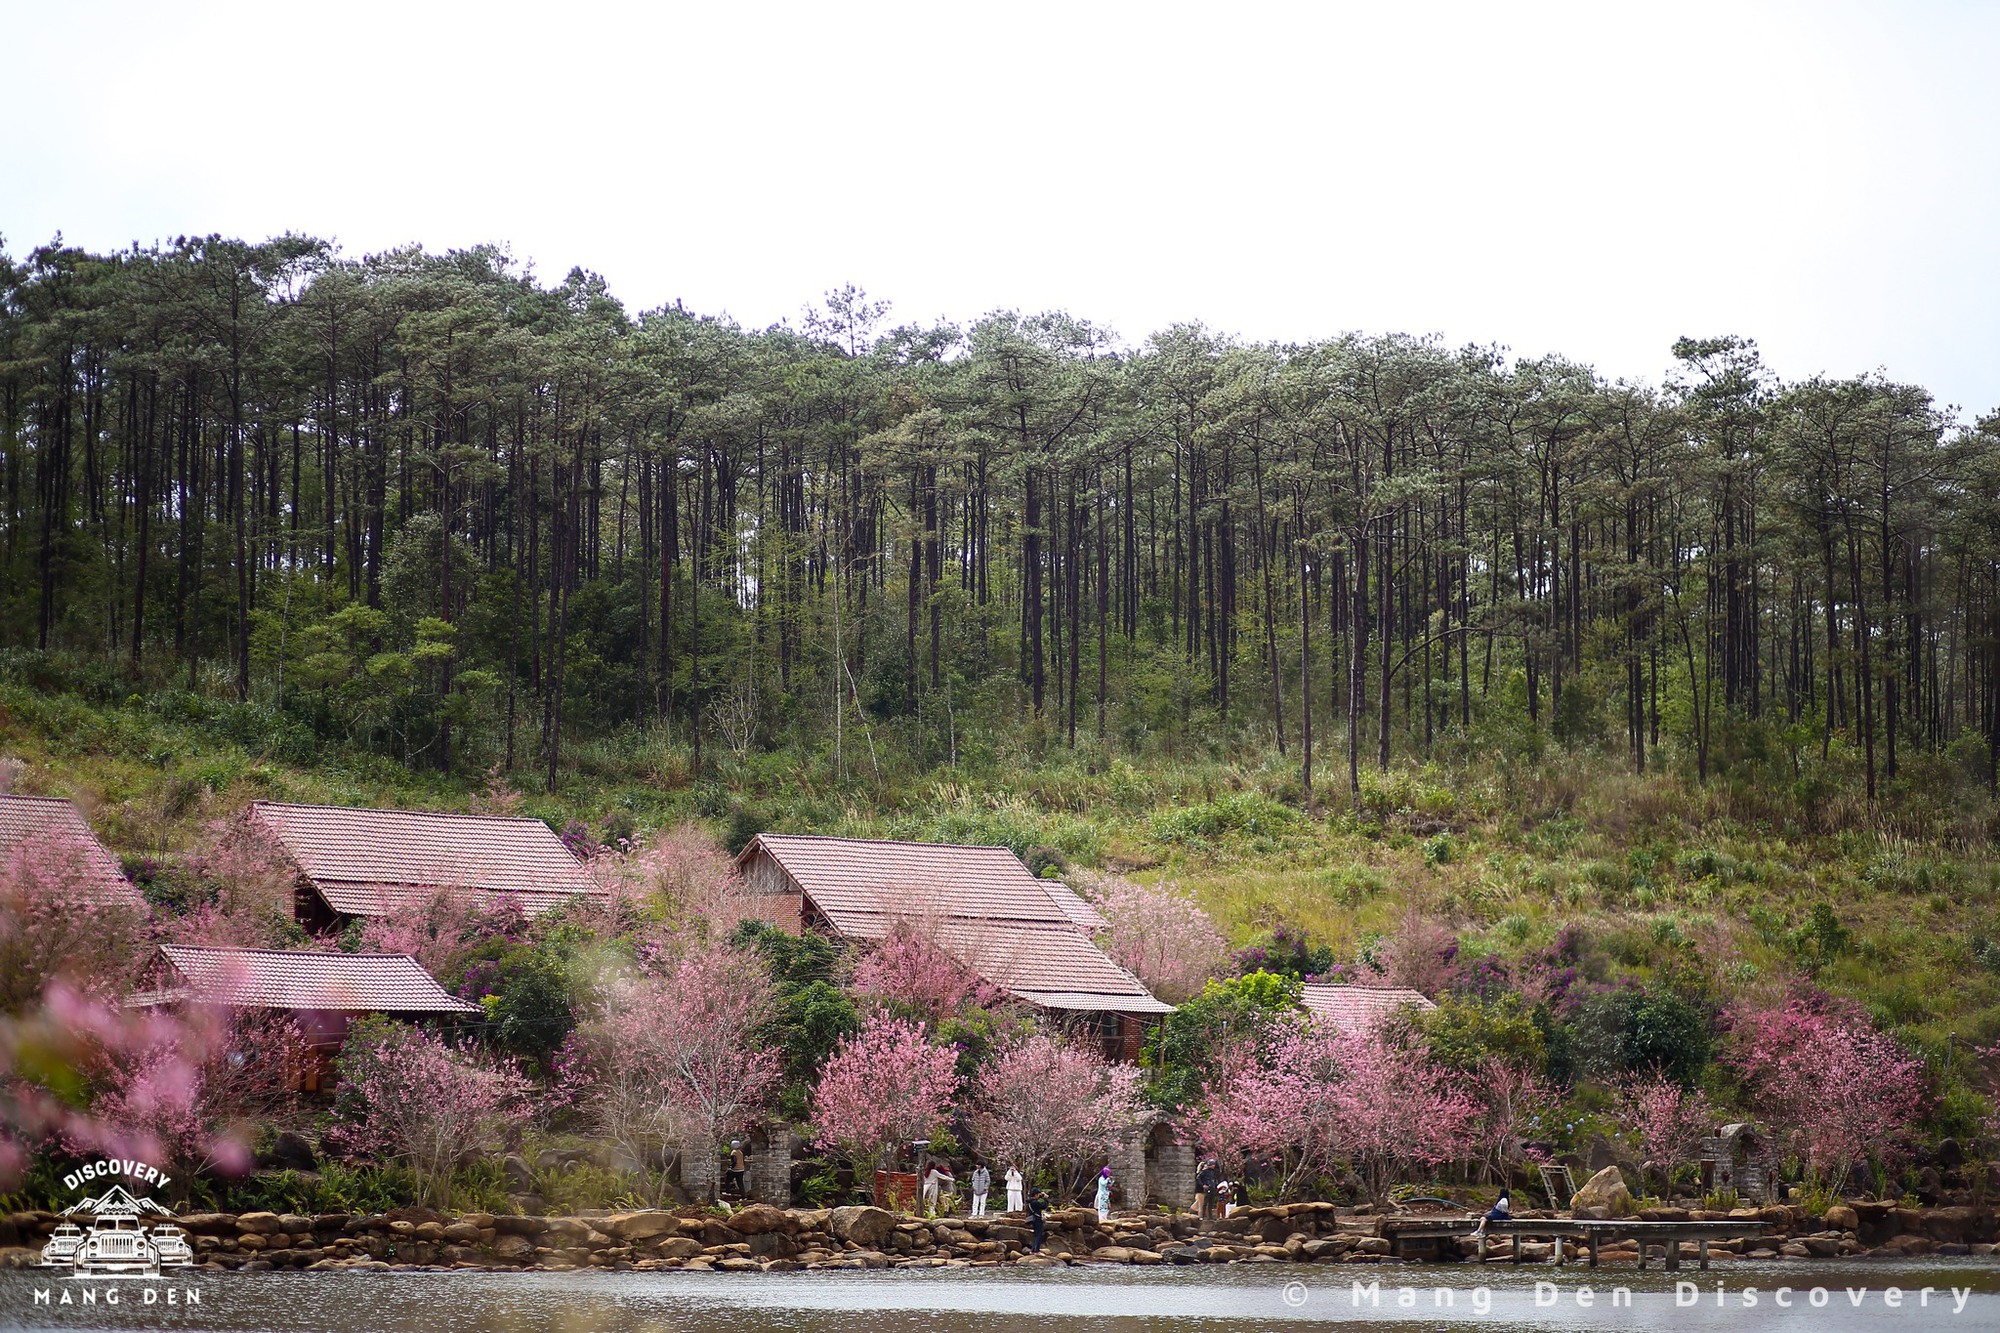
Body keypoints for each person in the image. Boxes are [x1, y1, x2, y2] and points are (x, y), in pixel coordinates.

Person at [1193, 1157, 1219, 1222]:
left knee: (1211, 1202)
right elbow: (1198, 1178)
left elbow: (1215, 1179)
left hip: (1212, 1187)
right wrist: (1203, 1185)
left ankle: (1210, 1216)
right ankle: (1204, 1215)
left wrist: (1216, 1185)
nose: (1214, 1165)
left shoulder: (1213, 1172)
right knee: (1205, 1202)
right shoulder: (1204, 1171)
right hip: (1208, 1188)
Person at [1027, 1185, 1050, 1253]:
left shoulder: (1030, 1202)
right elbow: (1043, 1206)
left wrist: (1041, 1195)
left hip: (1033, 1219)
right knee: (1039, 1234)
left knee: (1036, 1234)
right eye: (1038, 1194)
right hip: (1037, 1219)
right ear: (1036, 1195)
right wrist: (1045, 1198)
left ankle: (1034, 1249)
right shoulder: (1034, 1202)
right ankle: (1036, 1249)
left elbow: (1038, 1200)